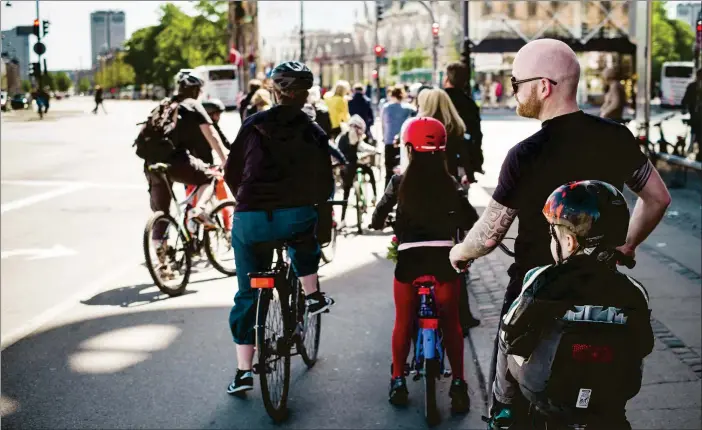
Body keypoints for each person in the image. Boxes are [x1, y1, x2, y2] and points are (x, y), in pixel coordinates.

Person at [447, 37, 670, 411]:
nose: (513, 90)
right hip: (602, 298)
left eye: (516, 83)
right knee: (603, 402)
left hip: (536, 300)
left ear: (543, 86)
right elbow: (658, 198)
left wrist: (458, 252)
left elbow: (489, 236)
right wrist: (626, 246)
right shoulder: (616, 137)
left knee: (507, 406)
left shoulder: (525, 155)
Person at [486, 180, 654, 429]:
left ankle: (503, 410)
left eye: (553, 234)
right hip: (608, 393)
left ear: (568, 242)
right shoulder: (633, 291)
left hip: (546, 389)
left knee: (503, 337)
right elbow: (644, 345)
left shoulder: (542, 279)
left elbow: (511, 333)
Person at [223, 61, 335, 396]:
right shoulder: (314, 132)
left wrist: (246, 201)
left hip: (250, 219)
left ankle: (243, 373)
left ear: (276, 90)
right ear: (305, 95)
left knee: (246, 292)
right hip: (295, 215)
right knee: (303, 242)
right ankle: (313, 296)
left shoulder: (253, 124)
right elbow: (324, 186)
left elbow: (231, 170)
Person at [370, 117, 476, 413]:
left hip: (409, 262)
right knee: (452, 324)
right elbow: (469, 219)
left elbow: (379, 215)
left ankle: (397, 380)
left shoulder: (399, 181)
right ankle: (458, 384)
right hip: (444, 261)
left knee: (403, 322)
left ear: (408, 147)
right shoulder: (450, 182)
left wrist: (377, 221)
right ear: (442, 149)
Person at [142, 74, 229, 274]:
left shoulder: (165, 104)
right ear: (196, 90)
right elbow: (212, 134)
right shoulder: (193, 105)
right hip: (176, 161)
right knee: (210, 177)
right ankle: (198, 211)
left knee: (161, 215)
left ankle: (163, 265)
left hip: (151, 164)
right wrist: (225, 160)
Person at [443, 62, 484, 179]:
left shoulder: (440, 100)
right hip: (464, 161)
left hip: (441, 159)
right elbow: (477, 134)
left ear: (447, 79)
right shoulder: (470, 104)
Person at [337, 114, 378, 222]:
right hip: (352, 166)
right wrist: (375, 150)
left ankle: (342, 219)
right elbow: (362, 147)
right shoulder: (354, 135)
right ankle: (375, 197)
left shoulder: (342, 137)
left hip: (345, 168)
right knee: (370, 171)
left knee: (346, 193)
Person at [381, 86, 414, 187]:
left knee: (389, 172)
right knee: (405, 171)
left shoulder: (386, 108)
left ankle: (387, 195)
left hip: (389, 141)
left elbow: (383, 125)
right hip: (404, 143)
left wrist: (384, 137)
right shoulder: (409, 109)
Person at [681, 68, 701, 156]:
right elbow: (686, 99)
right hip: (695, 115)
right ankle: (692, 147)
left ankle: (695, 149)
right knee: (694, 131)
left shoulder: (692, 86)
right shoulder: (692, 86)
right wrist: (684, 107)